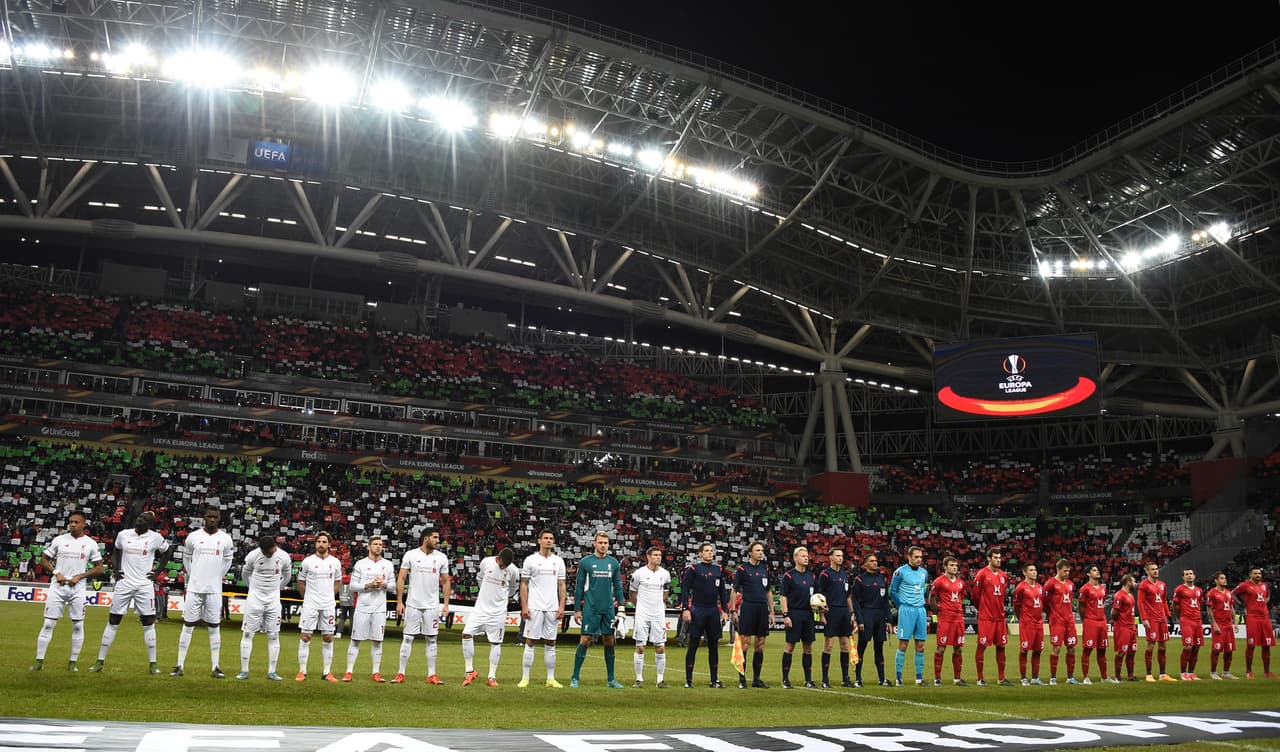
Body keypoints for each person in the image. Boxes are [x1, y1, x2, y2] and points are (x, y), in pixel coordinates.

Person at [89, 511, 169, 675]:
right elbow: (116, 551)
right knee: (113, 620)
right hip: (124, 583)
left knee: (148, 622)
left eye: (145, 519)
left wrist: (156, 573)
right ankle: (99, 661)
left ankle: (153, 664)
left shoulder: (156, 538)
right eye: (140, 517)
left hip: (144, 585)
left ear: (150, 525)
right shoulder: (123, 534)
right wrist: (116, 569)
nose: (141, 519)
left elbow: (168, 552)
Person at [32, 511, 104, 672]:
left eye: (76, 522)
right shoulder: (59, 540)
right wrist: (56, 573)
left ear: (84, 524)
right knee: (48, 623)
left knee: (78, 625)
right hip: (57, 587)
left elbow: (99, 568)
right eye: (71, 521)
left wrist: (80, 576)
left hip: (78, 589)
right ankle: (39, 661)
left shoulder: (91, 543)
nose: (72, 524)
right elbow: (43, 560)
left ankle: (73, 662)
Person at [170, 507, 233, 678]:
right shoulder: (194, 537)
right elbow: (186, 558)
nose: (212, 519)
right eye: (209, 516)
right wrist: (193, 574)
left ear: (219, 519)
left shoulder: (225, 539)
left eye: (215, 517)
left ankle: (215, 666)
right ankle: (179, 665)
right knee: (188, 625)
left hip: (214, 590)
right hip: (195, 588)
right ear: (204, 518)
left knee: (214, 626)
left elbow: (228, 560)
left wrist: (218, 575)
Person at [395, 527, 451, 684]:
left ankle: (432, 674)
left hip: (432, 605)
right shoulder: (411, 555)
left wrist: (446, 604)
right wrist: (399, 602)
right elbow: (401, 579)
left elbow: (446, 581)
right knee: (407, 638)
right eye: (435, 537)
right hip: (413, 604)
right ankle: (401, 673)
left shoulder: (441, 558)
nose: (437, 541)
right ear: (426, 538)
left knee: (432, 639)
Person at [570, 531, 625, 688]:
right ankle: (575, 677)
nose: (603, 545)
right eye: (600, 542)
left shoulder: (614, 563)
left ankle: (611, 679)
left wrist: (621, 605)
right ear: (594, 543)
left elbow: (618, 586)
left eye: (606, 543)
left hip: (608, 608)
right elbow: (579, 586)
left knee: (609, 640)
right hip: (591, 608)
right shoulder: (586, 562)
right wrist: (577, 609)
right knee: (585, 640)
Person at [461, 546, 520, 687]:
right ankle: (469, 671)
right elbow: (480, 578)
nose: (503, 567)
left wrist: (500, 596)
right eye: (501, 564)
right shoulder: (486, 562)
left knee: (495, 642)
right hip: (480, 609)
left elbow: (512, 589)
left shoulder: (513, 571)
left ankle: (492, 677)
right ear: (497, 558)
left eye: (506, 565)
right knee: (466, 634)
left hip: (498, 612)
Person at [236, 534, 292, 681]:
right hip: (254, 600)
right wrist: (253, 590)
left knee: (274, 635)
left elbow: (287, 577)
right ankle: (244, 670)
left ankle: (272, 671)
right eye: (266, 552)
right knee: (248, 634)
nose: (269, 554)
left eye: (271, 551)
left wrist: (276, 589)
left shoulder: (284, 557)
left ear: (275, 546)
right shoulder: (252, 556)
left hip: (273, 601)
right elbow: (245, 575)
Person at [344, 535, 396, 682]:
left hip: (379, 608)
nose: (378, 546)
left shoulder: (388, 565)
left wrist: (383, 584)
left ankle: (376, 672)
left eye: (380, 544)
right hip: (362, 607)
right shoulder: (360, 564)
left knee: (378, 641)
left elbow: (393, 587)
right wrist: (368, 585)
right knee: (355, 640)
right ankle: (349, 672)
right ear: (369, 547)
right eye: (375, 544)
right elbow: (352, 586)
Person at [519, 529, 567, 688]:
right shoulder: (530, 560)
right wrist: (524, 606)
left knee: (551, 642)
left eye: (551, 538)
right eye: (545, 538)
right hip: (535, 606)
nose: (548, 541)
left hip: (552, 607)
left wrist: (561, 606)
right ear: (539, 540)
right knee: (530, 641)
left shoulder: (558, 561)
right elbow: (524, 584)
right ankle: (525, 678)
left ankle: (551, 679)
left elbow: (562, 584)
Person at [681, 541, 730, 688]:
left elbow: (722, 591)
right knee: (694, 644)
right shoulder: (694, 569)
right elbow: (685, 589)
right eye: (707, 550)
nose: (710, 553)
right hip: (698, 609)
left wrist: (725, 610)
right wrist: (685, 608)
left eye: (711, 550)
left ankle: (714, 680)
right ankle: (688, 680)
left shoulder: (718, 570)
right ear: (700, 553)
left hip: (713, 610)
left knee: (713, 645)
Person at [296, 531, 343, 682]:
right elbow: (301, 583)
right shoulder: (307, 562)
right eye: (319, 542)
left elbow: (338, 582)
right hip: (310, 604)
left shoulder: (335, 562)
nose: (321, 544)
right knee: (305, 636)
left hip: (328, 605)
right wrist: (307, 599)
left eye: (324, 542)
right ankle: (302, 671)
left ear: (329, 544)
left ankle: (327, 672)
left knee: (328, 637)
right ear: (315, 544)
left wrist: (330, 595)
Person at [730, 541, 773, 689]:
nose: (760, 553)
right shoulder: (743, 569)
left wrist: (772, 612)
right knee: (745, 643)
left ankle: (756, 679)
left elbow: (768, 591)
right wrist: (733, 610)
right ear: (750, 553)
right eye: (757, 550)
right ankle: (742, 679)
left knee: (760, 644)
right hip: (748, 607)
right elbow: (734, 590)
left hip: (762, 608)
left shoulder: (764, 568)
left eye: (762, 550)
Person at [629, 546, 672, 688]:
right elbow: (632, 593)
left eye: (659, 555)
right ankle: (639, 679)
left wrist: (660, 603)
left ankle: (660, 680)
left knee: (660, 647)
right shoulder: (639, 574)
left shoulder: (665, 574)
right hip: (642, 613)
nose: (658, 557)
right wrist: (640, 606)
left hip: (658, 614)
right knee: (640, 646)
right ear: (648, 557)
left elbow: (666, 591)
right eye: (655, 555)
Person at [970, 547, 1012, 686]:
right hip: (986, 617)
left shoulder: (1003, 576)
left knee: (1001, 646)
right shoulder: (982, 574)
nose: (998, 560)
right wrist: (982, 608)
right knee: (982, 645)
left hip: (999, 617)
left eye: (1000, 558)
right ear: (989, 558)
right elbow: (975, 595)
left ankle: (1001, 678)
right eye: (995, 557)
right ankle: (980, 678)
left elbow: (1003, 595)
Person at [888, 545, 929, 686]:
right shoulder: (900, 572)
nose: (919, 560)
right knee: (904, 644)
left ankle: (919, 678)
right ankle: (899, 678)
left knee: (921, 645)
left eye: (920, 557)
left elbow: (925, 589)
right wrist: (901, 606)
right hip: (907, 610)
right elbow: (892, 591)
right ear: (909, 557)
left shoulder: (924, 572)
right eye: (916, 557)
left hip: (920, 610)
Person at [817, 547, 857, 688]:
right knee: (829, 645)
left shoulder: (845, 575)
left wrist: (851, 613)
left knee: (845, 645)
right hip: (831, 611)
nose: (840, 558)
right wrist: (822, 614)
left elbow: (848, 597)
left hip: (844, 612)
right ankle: (824, 679)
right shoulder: (825, 575)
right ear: (831, 558)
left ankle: (845, 678)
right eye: (838, 555)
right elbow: (820, 596)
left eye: (842, 556)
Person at [779, 546, 818, 689]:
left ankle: (808, 680)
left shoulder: (811, 576)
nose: (806, 558)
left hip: (808, 615)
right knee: (790, 646)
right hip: (794, 614)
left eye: (807, 555)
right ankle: (785, 680)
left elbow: (817, 597)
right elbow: (783, 596)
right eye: (802, 556)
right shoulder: (789, 576)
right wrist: (785, 615)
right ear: (795, 558)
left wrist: (822, 608)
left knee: (808, 648)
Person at [928, 555, 967, 686]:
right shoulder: (938, 581)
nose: (955, 568)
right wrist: (938, 610)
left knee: (958, 648)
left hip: (958, 618)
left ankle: (957, 678)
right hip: (945, 618)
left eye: (956, 565)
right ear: (945, 567)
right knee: (941, 648)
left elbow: (961, 598)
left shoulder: (961, 583)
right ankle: (937, 678)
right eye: (951, 565)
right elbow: (931, 598)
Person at [852, 553, 890, 687]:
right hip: (866, 614)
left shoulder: (882, 579)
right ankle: (857, 678)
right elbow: (855, 601)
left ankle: (882, 678)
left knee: (879, 648)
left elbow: (886, 601)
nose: (875, 563)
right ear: (865, 564)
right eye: (872, 561)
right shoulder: (860, 580)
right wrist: (860, 620)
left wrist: (888, 619)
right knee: (861, 647)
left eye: (876, 561)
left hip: (879, 616)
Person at [1232, 566, 1276, 679]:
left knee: (1266, 645)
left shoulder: (1264, 585)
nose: (1258, 575)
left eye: (1259, 574)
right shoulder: (1244, 585)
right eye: (1255, 573)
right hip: (1252, 617)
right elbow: (1233, 594)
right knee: (1251, 645)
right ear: (1250, 574)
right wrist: (1242, 605)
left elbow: (1267, 596)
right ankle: (1249, 671)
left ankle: (1267, 672)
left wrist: (1264, 603)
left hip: (1265, 617)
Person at [1137, 562, 1176, 681]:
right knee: (1151, 645)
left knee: (1163, 646)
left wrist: (1169, 617)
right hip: (1151, 619)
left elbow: (1164, 601)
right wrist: (1144, 618)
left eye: (1156, 569)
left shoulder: (1162, 585)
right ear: (1147, 571)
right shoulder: (1143, 585)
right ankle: (1149, 674)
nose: (1155, 571)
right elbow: (1140, 602)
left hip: (1162, 619)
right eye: (1152, 569)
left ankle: (1163, 675)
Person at [1041, 559, 1078, 685]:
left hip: (1069, 620)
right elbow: (1045, 601)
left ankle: (1070, 677)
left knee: (1072, 648)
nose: (1067, 573)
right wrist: (1051, 614)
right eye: (1065, 571)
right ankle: (1053, 678)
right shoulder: (1050, 584)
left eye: (1068, 571)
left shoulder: (1070, 584)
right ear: (1058, 569)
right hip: (1057, 620)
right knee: (1056, 647)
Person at [1012, 563, 1045, 685]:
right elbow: (1016, 605)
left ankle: (1035, 678)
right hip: (1027, 623)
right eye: (1031, 570)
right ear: (1024, 572)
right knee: (1024, 650)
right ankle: (1023, 678)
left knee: (1038, 650)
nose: (1034, 572)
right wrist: (1022, 618)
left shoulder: (1040, 588)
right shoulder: (1020, 587)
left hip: (1039, 623)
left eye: (1035, 570)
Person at [1078, 564, 1112, 683]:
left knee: (1102, 649)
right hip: (1090, 621)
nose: (1097, 572)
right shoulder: (1085, 589)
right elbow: (1081, 606)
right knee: (1088, 649)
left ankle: (1104, 677)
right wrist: (1085, 619)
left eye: (1097, 570)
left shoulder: (1103, 588)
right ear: (1088, 574)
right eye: (1094, 570)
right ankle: (1086, 677)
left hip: (1102, 621)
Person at [1172, 567, 1203, 681]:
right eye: (1187, 574)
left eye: (1191, 574)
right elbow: (1175, 605)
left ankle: (1191, 673)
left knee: (1196, 647)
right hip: (1186, 620)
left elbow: (1200, 604)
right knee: (1188, 646)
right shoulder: (1179, 589)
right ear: (1183, 577)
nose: (1189, 576)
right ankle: (1183, 672)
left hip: (1197, 621)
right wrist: (1180, 617)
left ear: (1194, 576)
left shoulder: (1199, 590)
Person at [1206, 571, 1239, 680]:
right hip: (1219, 625)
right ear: (1216, 580)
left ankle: (1226, 672)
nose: (1224, 580)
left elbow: (1231, 608)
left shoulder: (1228, 592)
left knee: (1229, 650)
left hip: (1228, 625)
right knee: (1216, 649)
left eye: (1224, 578)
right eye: (1222, 578)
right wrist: (1214, 624)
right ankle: (1213, 672)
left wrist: (1235, 622)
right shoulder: (1211, 593)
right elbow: (1209, 610)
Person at [1111, 574, 1139, 681]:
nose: (1135, 583)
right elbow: (1114, 613)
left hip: (1131, 627)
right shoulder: (1119, 595)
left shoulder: (1130, 595)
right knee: (1121, 652)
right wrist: (1119, 622)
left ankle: (1130, 676)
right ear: (1128, 582)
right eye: (1133, 581)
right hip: (1123, 627)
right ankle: (1117, 676)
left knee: (1132, 651)